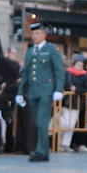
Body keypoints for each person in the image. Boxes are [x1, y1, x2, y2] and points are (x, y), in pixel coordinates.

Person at [16, 22, 66, 162]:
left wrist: (58, 89)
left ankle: (40, 151)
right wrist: (20, 92)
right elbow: (26, 73)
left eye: (37, 33)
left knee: (42, 121)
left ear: (44, 35)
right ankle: (44, 152)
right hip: (32, 91)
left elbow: (58, 71)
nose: (34, 36)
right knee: (37, 122)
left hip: (46, 90)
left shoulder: (51, 49)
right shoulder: (30, 51)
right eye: (33, 34)